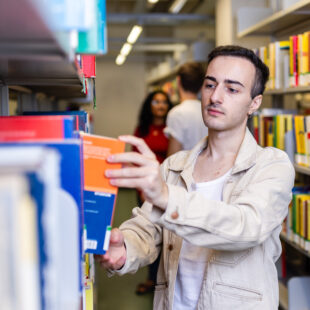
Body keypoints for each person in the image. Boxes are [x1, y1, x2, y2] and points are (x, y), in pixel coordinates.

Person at [98, 45, 295, 309]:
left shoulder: (271, 165)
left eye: (232, 89)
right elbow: (147, 229)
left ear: (254, 103)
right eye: (210, 85)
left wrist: (168, 198)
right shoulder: (175, 166)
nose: (216, 97)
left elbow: (246, 226)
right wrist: (125, 249)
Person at [132, 90, 172, 294]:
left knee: (168, 236)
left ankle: (165, 279)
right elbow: (136, 159)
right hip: (144, 189)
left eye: (164, 102)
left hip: (168, 189)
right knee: (150, 233)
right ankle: (151, 279)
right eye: (156, 101)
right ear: (149, 105)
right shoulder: (142, 129)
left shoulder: (172, 128)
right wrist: (141, 189)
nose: (160, 105)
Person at [164, 62, 209, 156]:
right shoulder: (208, 110)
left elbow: (173, 158)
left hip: (185, 169)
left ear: (178, 81)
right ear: (202, 85)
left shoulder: (177, 113)